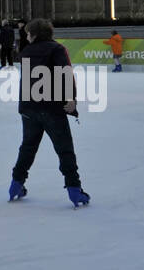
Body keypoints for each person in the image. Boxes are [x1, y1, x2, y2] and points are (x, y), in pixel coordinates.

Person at [9, 19, 89, 207]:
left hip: (29, 108)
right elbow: (66, 73)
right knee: (64, 149)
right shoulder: (57, 49)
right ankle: (74, 189)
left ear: (35, 34)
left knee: (27, 148)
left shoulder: (26, 51)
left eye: (28, 33)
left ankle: (15, 185)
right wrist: (71, 99)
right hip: (51, 108)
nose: (26, 36)